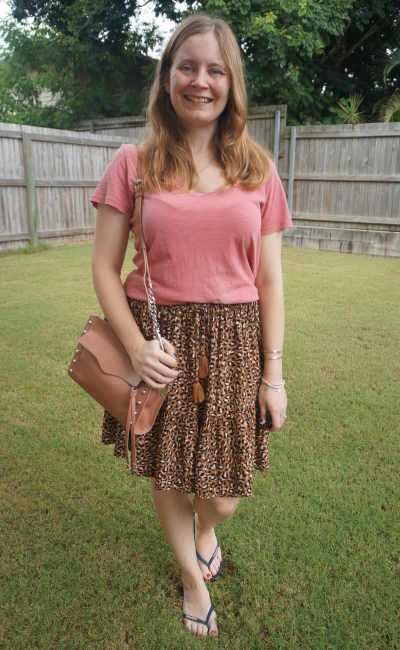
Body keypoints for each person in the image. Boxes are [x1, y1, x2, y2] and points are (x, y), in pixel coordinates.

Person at [90, 13, 292, 638]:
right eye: (187, 67)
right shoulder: (134, 163)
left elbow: (270, 281)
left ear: (231, 82)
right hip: (160, 344)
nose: (200, 81)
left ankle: (206, 531)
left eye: (214, 69)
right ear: (167, 78)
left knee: (224, 492)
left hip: (235, 344)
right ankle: (190, 575)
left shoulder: (257, 168)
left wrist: (273, 373)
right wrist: (136, 346)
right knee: (171, 468)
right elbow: (103, 267)